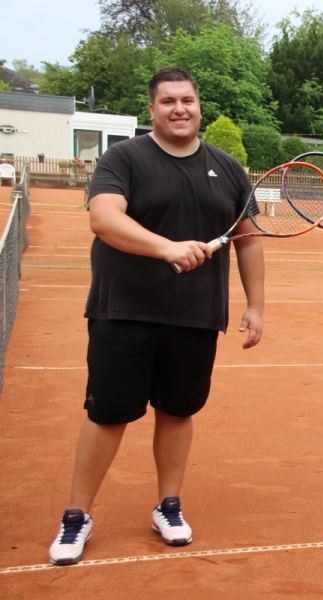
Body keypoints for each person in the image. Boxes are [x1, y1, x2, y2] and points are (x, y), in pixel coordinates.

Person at [48, 66, 265, 566]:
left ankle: (168, 506)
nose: (179, 109)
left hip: (196, 316)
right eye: (168, 101)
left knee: (178, 411)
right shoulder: (124, 158)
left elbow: (249, 240)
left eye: (187, 100)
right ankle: (77, 515)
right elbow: (104, 218)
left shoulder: (228, 168)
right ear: (152, 109)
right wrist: (166, 247)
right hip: (124, 311)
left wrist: (255, 305)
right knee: (107, 414)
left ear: (199, 106)